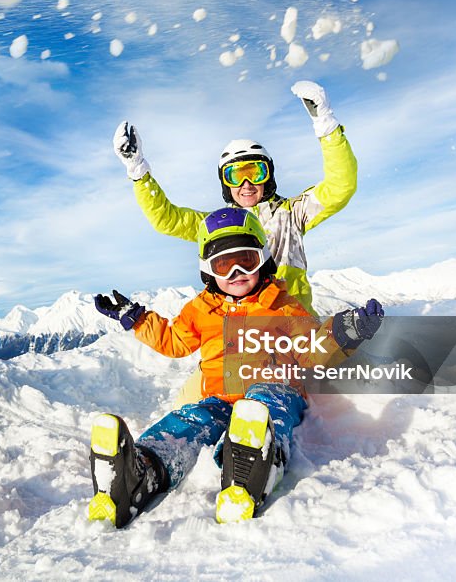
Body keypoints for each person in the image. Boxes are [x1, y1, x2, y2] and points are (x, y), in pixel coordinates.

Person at [90, 208, 383, 527]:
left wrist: (344, 333)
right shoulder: (201, 309)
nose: (237, 272)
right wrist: (138, 319)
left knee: (262, 400)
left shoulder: (282, 305)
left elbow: (311, 348)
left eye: (247, 259)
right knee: (191, 418)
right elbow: (175, 341)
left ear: (264, 259)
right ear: (209, 271)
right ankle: (141, 470)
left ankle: (254, 463)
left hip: (276, 392)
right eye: (224, 265)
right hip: (221, 398)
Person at [113, 81, 357, 405]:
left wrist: (325, 123)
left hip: (287, 336)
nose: (245, 184)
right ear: (225, 183)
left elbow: (341, 186)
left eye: (253, 172)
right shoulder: (216, 227)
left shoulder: (291, 214)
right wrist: (137, 170)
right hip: (235, 341)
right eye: (234, 175)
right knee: (190, 405)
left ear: (267, 176)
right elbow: (166, 219)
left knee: (283, 397)